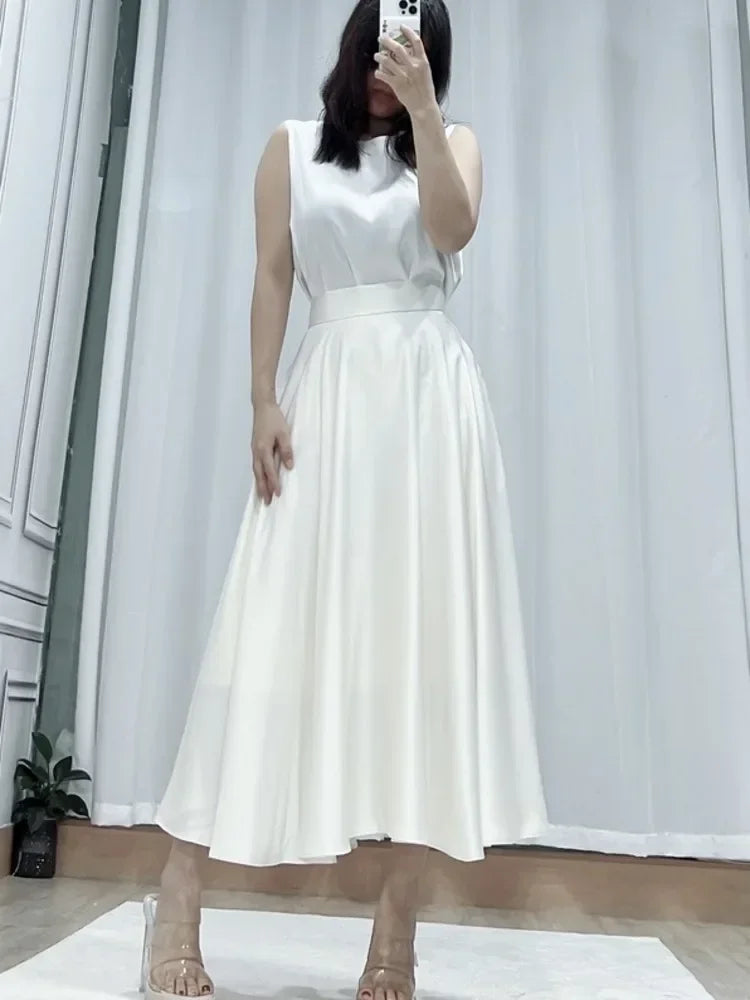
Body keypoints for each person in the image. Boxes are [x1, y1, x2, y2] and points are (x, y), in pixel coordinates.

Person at [141, 1, 547, 997]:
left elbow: (452, 230)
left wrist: (424, 112)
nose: (387, 65)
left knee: (422, 659)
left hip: (430, 404)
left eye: (410, 51)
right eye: (379, 48)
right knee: (265, 632)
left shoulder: (455, 144)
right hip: (328, 392)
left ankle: (395, 933)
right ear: (350, 48)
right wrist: (261, 398)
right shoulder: (290, 148)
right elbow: (273, 276)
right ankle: (179, 891)